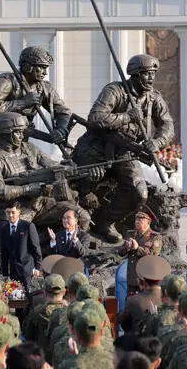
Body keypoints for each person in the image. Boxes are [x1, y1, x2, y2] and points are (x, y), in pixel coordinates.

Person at [72, 54, 175, 243]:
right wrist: (127, 117)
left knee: (139, 193)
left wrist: (158, 142)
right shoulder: (115, 91)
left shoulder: (154, 98)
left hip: (125, 150)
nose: (151, 78)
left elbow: (167, 125)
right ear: (134, 74)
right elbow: (95, 118)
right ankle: (75, 229)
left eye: (153, 73)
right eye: (146, 74)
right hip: (95, 149)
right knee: (79, 186)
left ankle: (104, 222)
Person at [0, 112, 91, 234]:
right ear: (6, 133)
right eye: (18, 132)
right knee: (14, 237)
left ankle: (70, 247)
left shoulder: (29, 147)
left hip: (41, 204)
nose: (21, 136)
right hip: (15, 209)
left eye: (22, 132)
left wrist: (70, 169)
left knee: (83, 217)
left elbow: (53, 165)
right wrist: (27, 189)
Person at [0, 45, 71, 147]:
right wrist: (23, 102)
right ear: (28, 67)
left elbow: (63, 112)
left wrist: (61, 130)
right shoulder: (6, 81)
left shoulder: (44, 88)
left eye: (46, 68)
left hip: (21, 140)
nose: (45, 73)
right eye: (42, 67)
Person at [119, 255, 170, 335]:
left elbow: (125, 326)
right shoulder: (169, 300)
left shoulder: (133, 300)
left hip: (139, 344)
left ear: (143, 280)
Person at [119, 205, 163, 294]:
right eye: (136, 219)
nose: (137, 222)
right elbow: (120, 252)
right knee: (130, 303)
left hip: (145, 279)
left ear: (148, 222)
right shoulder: (131, 235)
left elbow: (153, 255)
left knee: (144, 304)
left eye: (140, 220)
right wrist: (126, 248)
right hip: (132, 278)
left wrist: (137, 249)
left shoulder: (155, 237)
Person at [0, 203, 42, 292]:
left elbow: (36, 247)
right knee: (15, 298)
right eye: (8, 212)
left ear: (18, 212)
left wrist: (38, 267)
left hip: (27, 269)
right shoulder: (4, 229)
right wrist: (5, 273)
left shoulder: (28, 226)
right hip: (13, 270)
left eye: (13, 212)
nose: (10, 215)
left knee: (28, 298)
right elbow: (4, 252)